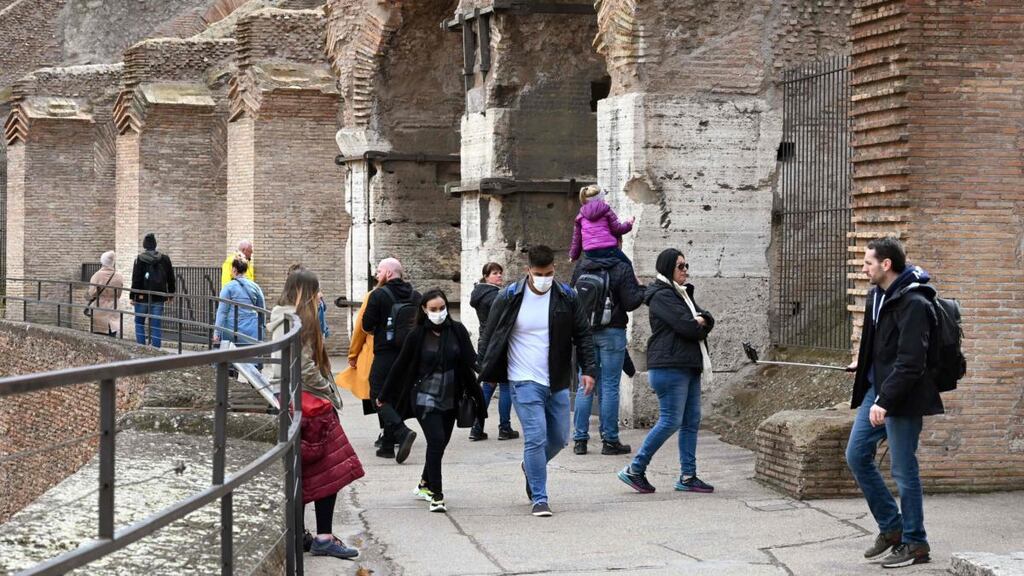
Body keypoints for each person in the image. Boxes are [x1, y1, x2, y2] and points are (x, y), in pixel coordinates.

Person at [477, 245, 597, 517]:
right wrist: (478, 369)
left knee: (559, 439)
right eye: (540, 273)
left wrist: (588, 369)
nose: (545, 278)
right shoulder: (509, 296)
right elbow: (490, 333)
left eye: (550, 273)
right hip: (522, 379)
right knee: (535, 437)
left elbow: (583, 335)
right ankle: (540, 498)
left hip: (555, 379)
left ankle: (530, 465)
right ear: (528, 271)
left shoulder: (567, 296)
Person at [845, 237, 941, 569]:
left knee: (903, 470)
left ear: (886, 265)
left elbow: (912, 362)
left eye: (868, 262)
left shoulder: (914, 302)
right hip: (878, 389)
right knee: (856, 455)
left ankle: (916, 542)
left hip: (904, 396)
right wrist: (863, 363)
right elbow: (877, 343)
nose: (864, 267)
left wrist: (884, 400)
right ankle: (892, 528)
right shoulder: (877, 296)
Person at [268, 267, 362, 560]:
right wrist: (328, 392)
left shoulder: (280, 316)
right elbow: (305, 366)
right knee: (330, 471)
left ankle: (300, 533)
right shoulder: (301, 320)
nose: (321, 295)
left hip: (287, 400)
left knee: (302, 473)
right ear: (305, 292)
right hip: (311, 405)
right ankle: (322, 537)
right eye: (317, 290)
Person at [618, 248, 716, 495]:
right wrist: (700, 323)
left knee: (691, 421)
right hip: (670, 365)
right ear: (667, 268)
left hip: (688, 364)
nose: (686, 270)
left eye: (686, 266)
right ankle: (635, 469)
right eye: (680, 266)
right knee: (671, 420)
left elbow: (706, 318)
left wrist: (702, 321)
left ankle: (688, 475)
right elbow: (688, 327)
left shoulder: (681, 294)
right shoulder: (663, 296)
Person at [379, 289, 484, 513]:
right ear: (424, 310)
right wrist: (384, 394)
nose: (439, 313)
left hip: (451, 396)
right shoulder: (416, 335)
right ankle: (437, 494)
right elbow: (400, 365)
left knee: (441, 443)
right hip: (424, 397)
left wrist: (488, 372)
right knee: (436, 440)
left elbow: (470, 358)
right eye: (433, 309)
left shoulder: (457, 330)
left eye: (442, 308)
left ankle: (424, 483)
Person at [570, 251, 645, 455]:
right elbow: (631, 302)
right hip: (612, 330)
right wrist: (641, 288)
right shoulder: (621, 267)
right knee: (610, 385)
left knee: (584, 383)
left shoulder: (582, 265)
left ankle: (580, 440)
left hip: (586, 331)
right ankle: (610, 440)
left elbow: (571, 295)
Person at [362, 257, 420, 462]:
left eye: (378, 271)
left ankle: (401, 431)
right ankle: (387, 445)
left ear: (387, 273)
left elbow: (366, 326)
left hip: (386, 354)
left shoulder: (378, 295)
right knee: (394, 396)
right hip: (409, 355)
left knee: (377, 394)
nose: (377, 275)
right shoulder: (416, 296)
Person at [468, 262, 519, 441]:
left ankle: (476, 427)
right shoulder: (495, 296)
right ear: (486, 276)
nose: (499, 276)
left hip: (486, 342)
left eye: (500, 273)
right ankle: (504, 427)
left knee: (488, 384)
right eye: (495, 273)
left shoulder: (479, 294)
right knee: (504, 384)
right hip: (499, 343)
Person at [336, 276, 385, 415]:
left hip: (375, 352)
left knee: (375, 392)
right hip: (400, 353)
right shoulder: (410, 295)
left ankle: (392, 430)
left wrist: (353, 354)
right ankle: (391, 431)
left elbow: (360, 328)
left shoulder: (373, 296)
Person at [568, 185, 634, 265]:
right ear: (601, 198)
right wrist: (629, 223)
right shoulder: (607, 211)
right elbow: (617, 229)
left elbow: (577, 238)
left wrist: (573, 256)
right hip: (609, 250)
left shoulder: (580, 216)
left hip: (590, 252)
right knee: (627, 264)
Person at [130, 233, 175, 348]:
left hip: (141, 297)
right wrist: (171, 294)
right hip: (159, 296)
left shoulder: (139, 259)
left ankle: (141, 347)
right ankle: (156, 349)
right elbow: (171, 278)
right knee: (156, 324)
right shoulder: (165, 259)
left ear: (144, 245)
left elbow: (136, 279)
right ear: (155, 245)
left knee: (139, 322)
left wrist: (133, 296)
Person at [213, 254, 266, 346]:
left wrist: (216, 333)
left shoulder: (228, 287)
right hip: (252, 330)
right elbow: (262, 310)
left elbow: (222, 312)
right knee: (251, 358)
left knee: (231, 357)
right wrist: (262, 328)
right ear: (245, 270)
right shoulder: (255, 287)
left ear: (234, 269)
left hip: (232, 329)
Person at [86, 251, 124, 337]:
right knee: (112, 334)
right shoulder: (119, 276)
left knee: (98, 334)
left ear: (102, 261)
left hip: (100, 308)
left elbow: (92, 293)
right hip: (114, 306)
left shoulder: (97, 275)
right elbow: (119, 294)